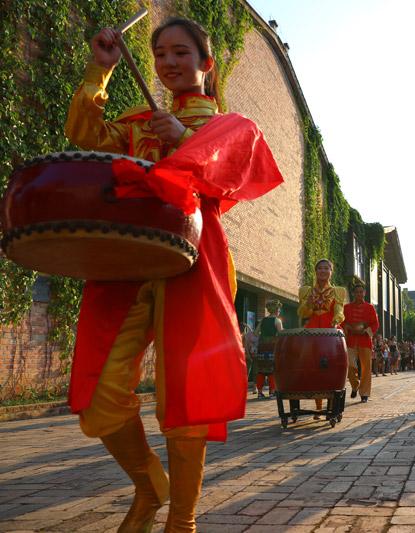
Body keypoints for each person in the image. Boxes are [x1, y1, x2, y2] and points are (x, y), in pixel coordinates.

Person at [64, 17, 284, 532]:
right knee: (100, 397)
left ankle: (180, 520)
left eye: (181, 53)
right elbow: (84, 136)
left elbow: (232, 173)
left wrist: (184, 136)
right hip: (129, 264)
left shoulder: (232, 125)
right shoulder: (138, 121)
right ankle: (149, 485)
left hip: (195, 261)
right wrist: (100, 71)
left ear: (206, 64)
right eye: (160, 54)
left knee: (188, 395)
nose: (168, 63)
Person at [298, 259, 347, 417]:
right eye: (320, 268)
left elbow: (340, 311)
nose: (323, 271)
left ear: (331, 271)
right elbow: (302, 314)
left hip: (330, 331)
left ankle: (331, 404)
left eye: (326, 268)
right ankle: (318, 405)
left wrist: (337, 319)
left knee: (331, 367)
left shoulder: (337, 291)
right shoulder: (306, 291)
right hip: (312, 331)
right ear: (316, 271)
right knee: (313, 367)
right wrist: (308, 306)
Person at [342, 283, 379, 402]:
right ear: (353, 293)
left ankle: (364, 393)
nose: (359, 294)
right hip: (351, 340)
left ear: (364, 293)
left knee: (366, 367)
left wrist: (366, 331)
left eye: (361, 292)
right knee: (350, 365)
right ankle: (355, 385)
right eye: (356, 292)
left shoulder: (370, 307)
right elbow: (341, 322)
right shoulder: (346, 308)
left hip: (365, 340)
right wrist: (347, 327)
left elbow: (375, 323)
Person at [255, 300, 283, 399]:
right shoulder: (277, 320)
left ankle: (259, 393)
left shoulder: (263, 320)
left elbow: (255, 333)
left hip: (262, 347)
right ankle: (272, 392)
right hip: (272, 347)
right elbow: (281, 334)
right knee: (272, 370)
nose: (279, 311)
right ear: (276, 310)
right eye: (279, 310)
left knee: (261, 370)